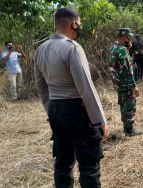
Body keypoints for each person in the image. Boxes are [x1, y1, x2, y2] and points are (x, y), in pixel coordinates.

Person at [34, 7, 109, 188]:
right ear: (73, 24)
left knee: (63, 162)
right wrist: (100, 120)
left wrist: (51, 111)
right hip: (77, 111)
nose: (79, 28)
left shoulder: (41, 49)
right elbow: (86, 88)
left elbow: (41, 87)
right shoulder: (73, 48)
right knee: (89, 164)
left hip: (55, 110)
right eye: (79, 24)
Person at [110, 28, 143, 136]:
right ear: (124, 37)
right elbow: (128, 70)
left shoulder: (114, 48)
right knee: (129, 106)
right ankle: (129, 130)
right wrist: (134, 86)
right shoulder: (122, 50)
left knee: (123, 105)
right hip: (126, 83)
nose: (130, 40)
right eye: (129, 37)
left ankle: (126, 128)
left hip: (118, 83)